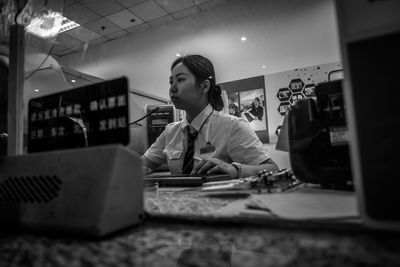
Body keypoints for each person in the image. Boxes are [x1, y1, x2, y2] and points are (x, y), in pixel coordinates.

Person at [141, 55, 278, 178]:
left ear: (204, 86)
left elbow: (273, 169)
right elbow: (140, 165)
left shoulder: (232, 127)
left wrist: (236, 170)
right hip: (179, 204)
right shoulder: (171, 132)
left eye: (181, 79)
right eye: (171, 82)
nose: (172, 88)